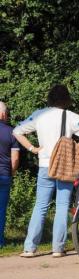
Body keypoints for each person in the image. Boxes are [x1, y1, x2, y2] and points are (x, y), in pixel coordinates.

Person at [13, 85, 79, 257]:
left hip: (44, 164)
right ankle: (58, 248)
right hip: (64, 166)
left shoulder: (39, 115)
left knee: (40, 205)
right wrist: (76, 148)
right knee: (62, 205)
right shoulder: (70, 116)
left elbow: (17, 131)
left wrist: (32, 148)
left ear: (50, 98)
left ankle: (29, 248)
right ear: (66, 99)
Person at [0, 102, 20, 247]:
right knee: (1, 209)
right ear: (3, 114)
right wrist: (12, 172)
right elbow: (15, 159)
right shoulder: (12, 132)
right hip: (4, 175)